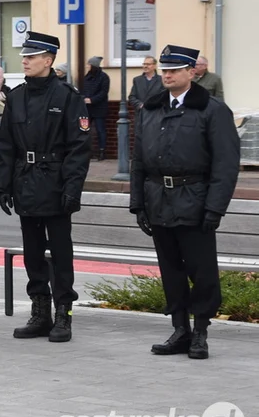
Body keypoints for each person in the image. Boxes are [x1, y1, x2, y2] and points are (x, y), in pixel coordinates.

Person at [131, 45, 239, 360]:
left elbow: (225, 164)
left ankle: (200, 332)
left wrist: (215, 208)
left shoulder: (212, 109)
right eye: (164, 70)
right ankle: (180, 330)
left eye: (174, 70)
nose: (167, 75)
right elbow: (139, 161)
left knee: (202, 271)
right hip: (158, 200)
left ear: (191, 72)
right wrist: (138, 204)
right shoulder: (149, 109)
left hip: (195, 200)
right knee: (171, 270)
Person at [0, 32, 91, 343]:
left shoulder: (67, 96)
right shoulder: (17, 96)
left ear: (48, 60)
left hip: (55, 181)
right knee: (33, 253)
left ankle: (64, 313)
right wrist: (4, 184)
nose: (24, 60)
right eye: (24, 55)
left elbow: (79, 147)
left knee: (61, 253)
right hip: (26, 180)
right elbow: (6, 145)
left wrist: (72, 188)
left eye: (32, 56)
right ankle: (40, 312)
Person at [81, 56, 110, 160]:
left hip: (99, 108)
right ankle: (87, 152)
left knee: (100, 130)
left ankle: (102, 151)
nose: (87, 66)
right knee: (85, 130)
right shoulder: (86, 77)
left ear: (93, 66)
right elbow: (83, 90)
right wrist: (84, 99)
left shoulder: (104, 77)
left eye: (89, 65)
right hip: (87, 109)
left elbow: (103, 92)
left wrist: (92, 100)